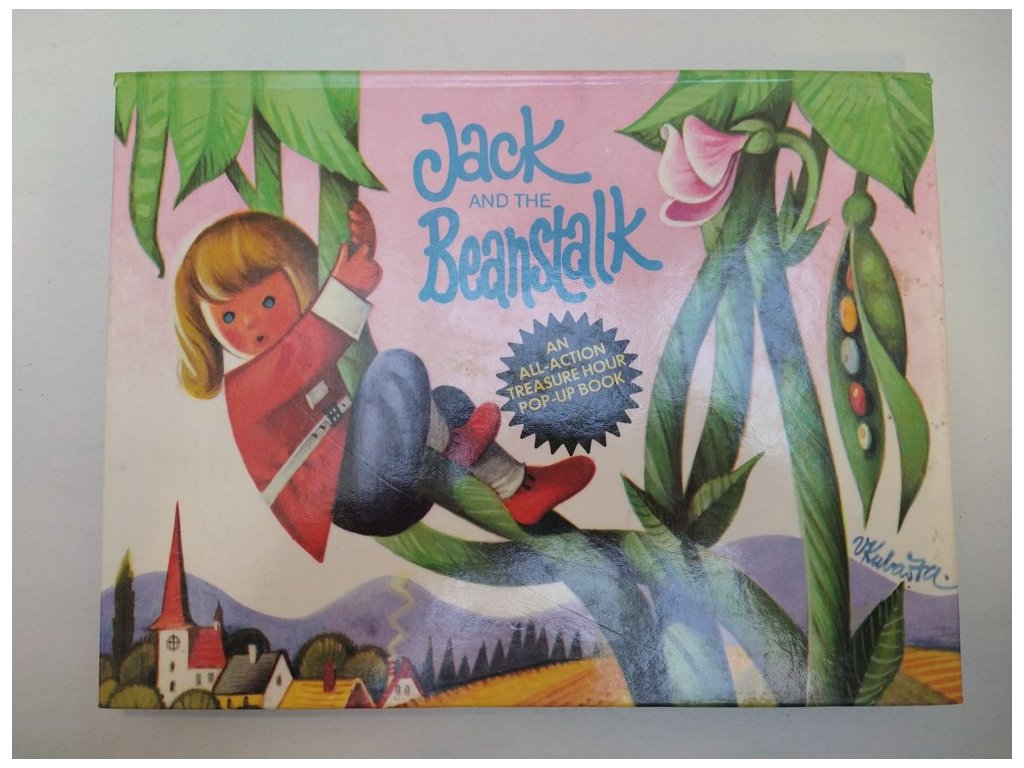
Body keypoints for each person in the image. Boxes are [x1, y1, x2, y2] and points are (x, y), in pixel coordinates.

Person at [173, 203, 595, 562]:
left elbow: (316, 339)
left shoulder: (301, 344)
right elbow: (309, 348)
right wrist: (346, 288)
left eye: (268, 300)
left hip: (396, 481)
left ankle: (517, 487)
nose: (250, 322)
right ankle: (453, 450)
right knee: (395, 368)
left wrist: (357, 259)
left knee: (447, 400)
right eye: (228, 315)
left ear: (301, 281)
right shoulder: (246, 389)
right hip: (360, 499)